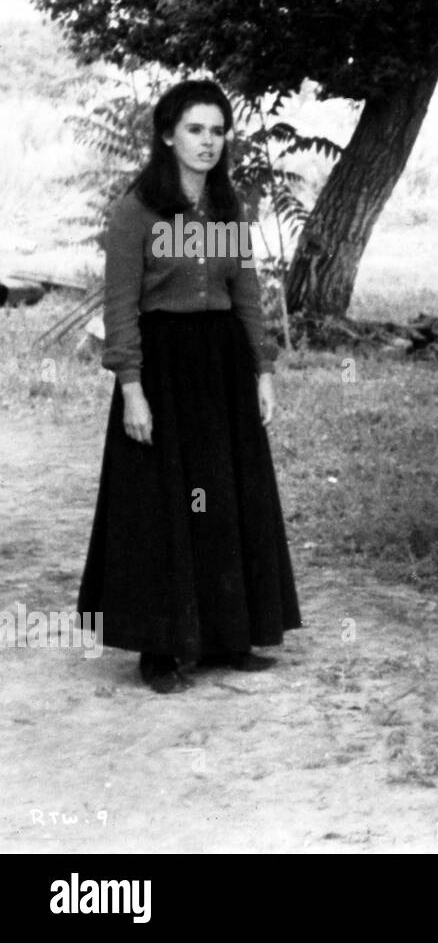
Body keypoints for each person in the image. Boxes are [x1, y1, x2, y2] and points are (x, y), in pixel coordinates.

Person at [78, 79, 300, 694]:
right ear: (168, 134)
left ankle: (230, 633)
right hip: (164, 368)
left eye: (217, 130)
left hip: (222, 366)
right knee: (161, 504)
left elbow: (247, 294)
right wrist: (132, 387)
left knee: (226, 494)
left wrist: (262, 370)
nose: (208, 141)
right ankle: (160, 647)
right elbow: (121, 307)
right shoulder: (137, 211)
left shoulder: (230, 208)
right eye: (195, 129)